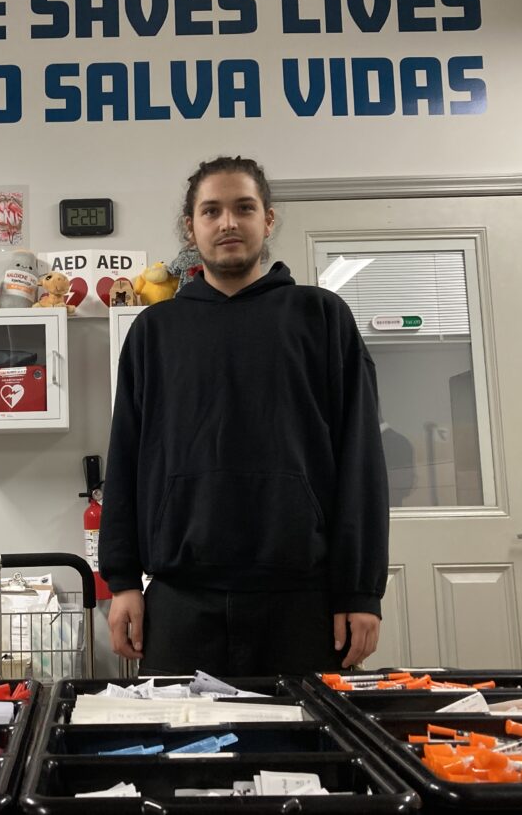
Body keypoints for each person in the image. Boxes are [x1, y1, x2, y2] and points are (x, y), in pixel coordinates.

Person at [100, 155, 389, 676]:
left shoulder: (322, 318)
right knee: (181, 757)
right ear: (192, 227)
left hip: (302, 603)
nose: (228, 222)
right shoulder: (154, 332)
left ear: (268, 220)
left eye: (243, 208)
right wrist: (121, 580)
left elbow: (361, 461)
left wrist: (361, 591)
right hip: (180, 601)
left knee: (307, 756)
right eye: (211, 211)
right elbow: (124, 460)